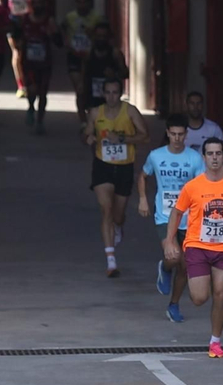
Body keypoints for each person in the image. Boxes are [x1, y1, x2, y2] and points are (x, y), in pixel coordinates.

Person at [165, 138, 223, 357]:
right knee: (199, 298)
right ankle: (189, 280)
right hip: (197, 246)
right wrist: (170, 240)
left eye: (218, 153)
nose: (214, 158)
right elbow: (177, 213)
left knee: (221, 294)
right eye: (210, 154)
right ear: (204, 157)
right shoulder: (193, 186)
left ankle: (215, 341)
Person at [138, 114, 205, 323]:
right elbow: (143, 175)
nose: (177, 138)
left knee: (185, 267)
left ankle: (174, 304)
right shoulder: (156, 156)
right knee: (174, 257)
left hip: (190, 218)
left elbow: (202, 186)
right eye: (173, 134)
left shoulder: (195, 158)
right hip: (164, 215)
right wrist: (142, 199)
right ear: (167, 133)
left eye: (180, 134)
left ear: (186, 134)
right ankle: (165, 267)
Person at [85, 78, 151, 277]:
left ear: (120, 93)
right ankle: (111, 261)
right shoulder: (96, 113)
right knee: (106, 210)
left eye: (115, 92)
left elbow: (145, 136)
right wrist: (88, 137)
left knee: (118, 215)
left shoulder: (130, 111)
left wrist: (122, 139)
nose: (111, 96)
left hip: (124, 167)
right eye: (108, 92)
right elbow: (86, 133)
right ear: (103, 94)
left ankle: (119, 227)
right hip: (102, 166)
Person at [9, 0, 61, 135]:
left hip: (44, 63)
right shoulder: (25, 20)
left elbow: (59, 42)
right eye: (35, 2)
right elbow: (15, 35)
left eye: (40, 3)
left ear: (44, 5)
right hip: (29, 63)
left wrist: (53, 34)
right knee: (31, 90)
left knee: (43, 93)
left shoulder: (49, 21)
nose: (38, 5)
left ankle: (40, 121)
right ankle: (31, 106)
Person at [0, 0, 42, 100]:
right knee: (17, 52)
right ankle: (21, 86)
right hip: (13, 21)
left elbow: (40, 2)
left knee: (29, 54)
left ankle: (33, 82)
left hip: (28, 22)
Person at [63, 0, 105, 121]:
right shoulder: (70, 17)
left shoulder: (97, 17)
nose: (82, 5)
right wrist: (68, 44)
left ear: (89, 3)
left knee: (91, 90)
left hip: (91, 57)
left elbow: (104, 34)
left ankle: (94, 116)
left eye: (84, 2)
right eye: (79, 2)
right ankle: (83, 121)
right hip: (74, 56)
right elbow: (63, 31)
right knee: (80, 90)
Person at [82, 21, 128, 120]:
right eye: (99, 36)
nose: (101, 39)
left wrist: (115, 74)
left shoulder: (115, 54)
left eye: (104, 36)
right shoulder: (88, 53)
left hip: (110, 95)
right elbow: (83, 74)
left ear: (109, 37)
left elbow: (125, 73)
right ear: (94, 37)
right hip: (93, 94)